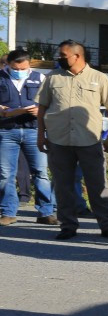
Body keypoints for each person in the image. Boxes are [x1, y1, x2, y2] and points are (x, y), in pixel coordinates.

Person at [36, 40, 108, 241]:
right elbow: (42, 108)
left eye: (63, 56)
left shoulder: (100, 78)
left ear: (77, 56)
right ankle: (67, 225)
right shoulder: (52, 78)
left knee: (98, 185)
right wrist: (41, 134)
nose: (59, 58)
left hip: (90, 140)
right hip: (58, 140)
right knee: (62, 186)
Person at [0, 48, 56, 226]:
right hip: (6, 131)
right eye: (15, 69)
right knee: (6, 174)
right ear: (8, 64)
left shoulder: (40, 78)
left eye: (23, 68)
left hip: (34, 131)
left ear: (29, 64)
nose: (19, 71)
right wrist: (10, 112)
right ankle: (8, 212)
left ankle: (46, 212)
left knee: (41, 172)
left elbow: (52, 103)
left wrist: (41, 111)